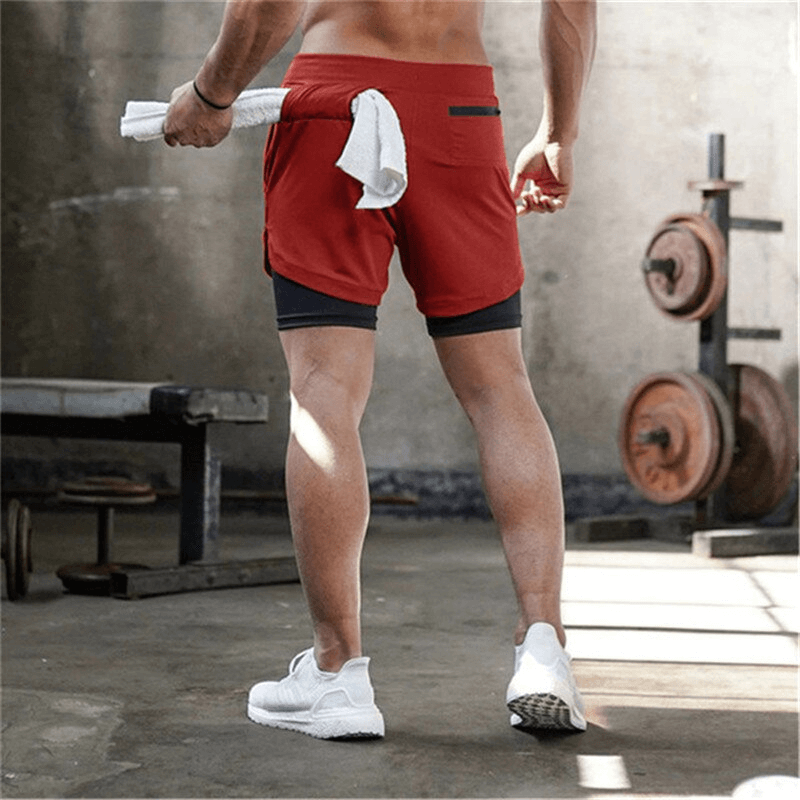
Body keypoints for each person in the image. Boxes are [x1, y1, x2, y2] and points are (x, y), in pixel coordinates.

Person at [164, 0, 596, 740]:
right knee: (500, 388)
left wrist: (210, 94)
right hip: (460, 104)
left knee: (325, 390)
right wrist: (558, 131)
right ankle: (543, 648)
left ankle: (337, 675)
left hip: (336, 101)